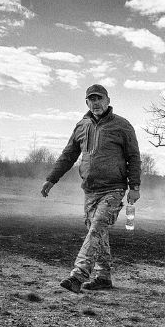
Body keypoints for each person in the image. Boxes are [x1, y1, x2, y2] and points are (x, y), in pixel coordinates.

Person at [40, 83, 142, 293]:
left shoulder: (122, 126)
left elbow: (134, 157)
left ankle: (78, 276)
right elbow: (68, 155)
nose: (96, 103)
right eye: (91, 99)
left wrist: (135, 186)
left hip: (114, 189)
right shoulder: (81, 126)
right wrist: (51, 179)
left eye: (99, 98)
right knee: (98, 233)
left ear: (108, 101)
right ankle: (103, 277)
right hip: (90, 190)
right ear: (87, 102)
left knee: (96, 228)